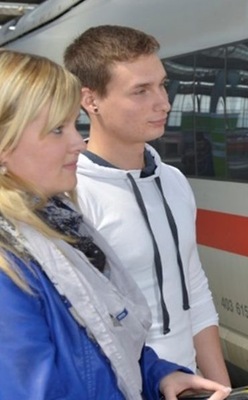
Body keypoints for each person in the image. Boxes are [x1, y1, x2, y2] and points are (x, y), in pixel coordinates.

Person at [0, 49, 231, 400]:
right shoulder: (13, 261)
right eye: (58, 129)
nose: (77, 143)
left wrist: (159, 376)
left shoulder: (61, 221)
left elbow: (104, 346)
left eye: (163, 86)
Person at [63, 25, 230, 385]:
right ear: (90, 100)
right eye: (141, 91)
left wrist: (222, 387)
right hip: (121, 387)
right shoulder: (71, 195)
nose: (163, 103)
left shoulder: (173, 182)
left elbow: (194, 289)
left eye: (162, 85)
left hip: (187, 384)